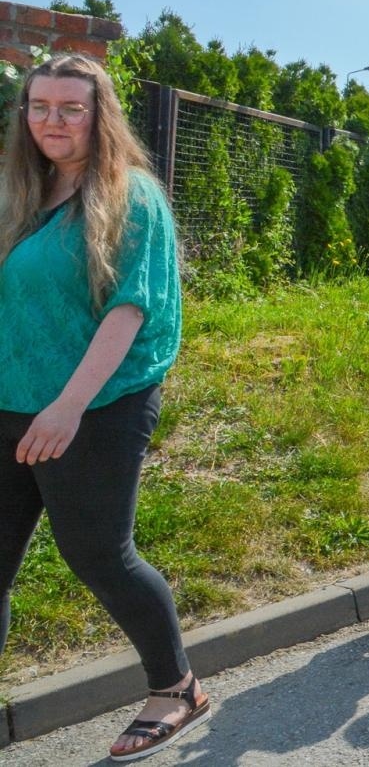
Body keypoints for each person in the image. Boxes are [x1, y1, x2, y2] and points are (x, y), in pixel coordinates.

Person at [0, 54, 207, 762]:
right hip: (11, 395)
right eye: (39, 106)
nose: (52, 121)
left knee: (97, 553)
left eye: (71, 108)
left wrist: (65, 408)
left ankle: (176, 686)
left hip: (97, 401)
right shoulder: (22, 190)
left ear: (99, 115)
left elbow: (129, 309)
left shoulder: (131, 194)